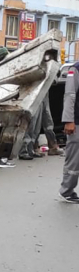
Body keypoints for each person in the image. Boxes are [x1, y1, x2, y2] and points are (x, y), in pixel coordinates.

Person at [59, 59, 79, 203]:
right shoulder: (76, 69)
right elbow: (70, 95)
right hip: (77, 122)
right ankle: (67, 190)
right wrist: (69, 121)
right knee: (74, 160)